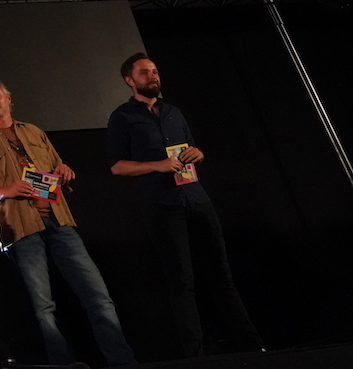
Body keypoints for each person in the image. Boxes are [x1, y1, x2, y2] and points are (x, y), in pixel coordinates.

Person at [0, 79, 135, 366]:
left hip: (59, 221)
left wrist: (64, 171)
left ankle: (122, 362)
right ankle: (64, 364)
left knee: (97, 295)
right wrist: (6, 190)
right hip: (21, 230)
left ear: (8, 98)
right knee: (43, 308)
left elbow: (59, 168)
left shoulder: (33, 131)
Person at [107, 53, 262, 357]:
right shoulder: (122, 117)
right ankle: (195, 354)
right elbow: (117, 166)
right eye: (144, 72)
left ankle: (252, 345)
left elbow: (190, 147)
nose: (153, 76)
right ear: (129, 80)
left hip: (196, 197)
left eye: (154, 71)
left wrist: (197, 153)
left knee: (222, 274)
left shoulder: (174, 112)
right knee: (182, 280)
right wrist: (158, 165)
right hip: (161, 204)